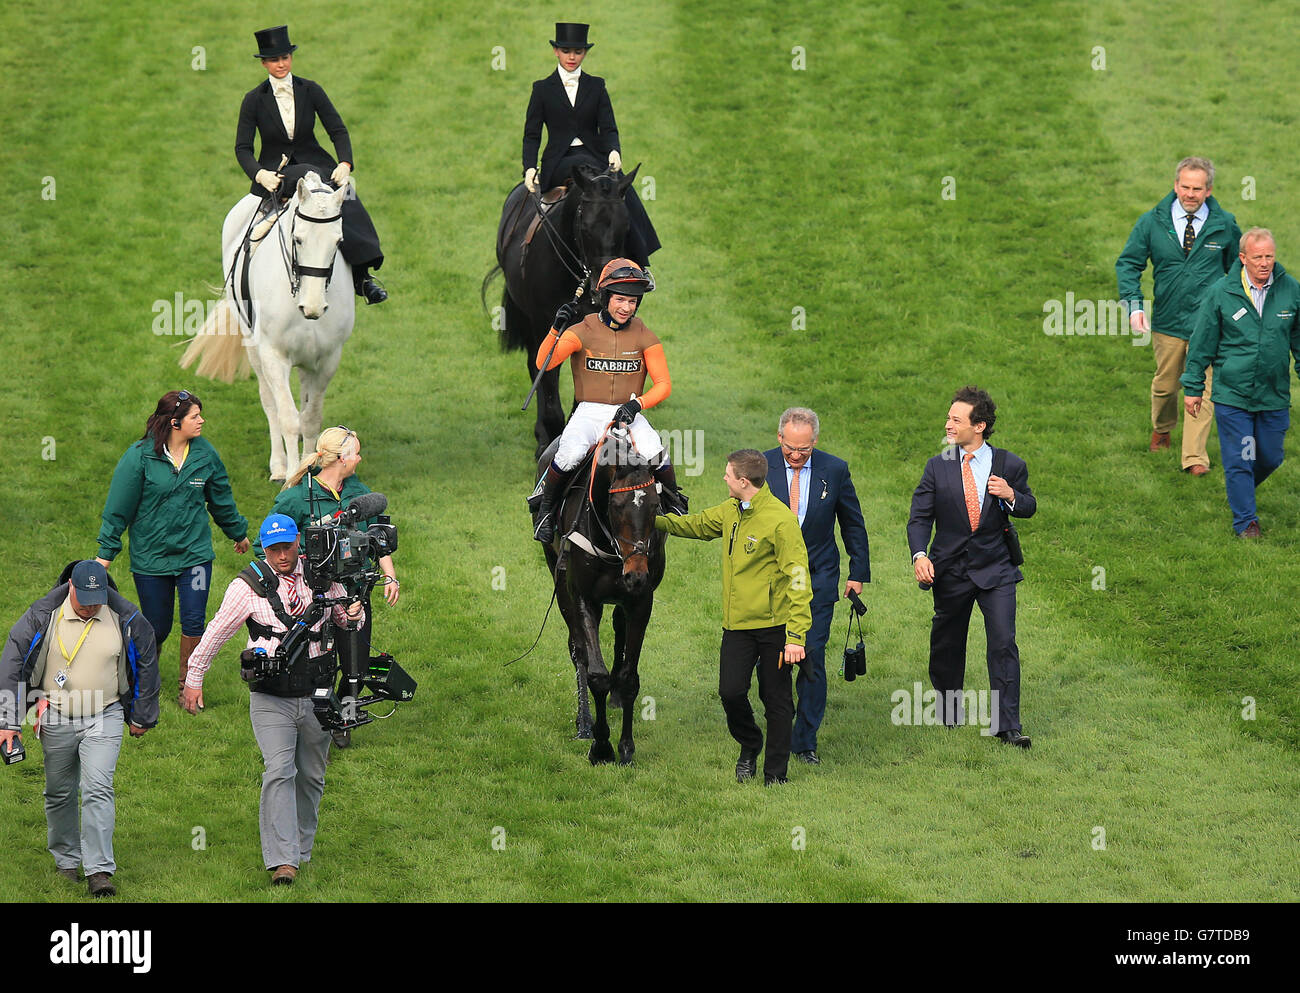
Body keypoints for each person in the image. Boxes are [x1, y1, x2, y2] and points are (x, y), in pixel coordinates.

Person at [181, 515, 364, 886]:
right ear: (264, 547)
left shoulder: (321, 575)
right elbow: (216, 632)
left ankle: (301, 850)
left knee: (312, 775)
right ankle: (284, 861)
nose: (282, 556)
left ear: (298, 542)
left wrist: (354, 614)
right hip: (271, 696)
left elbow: (345, 621)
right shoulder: (246, 586)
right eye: (274, 549)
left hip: (318, 693)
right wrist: (194, 676)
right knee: (280, 770)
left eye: (288, 547)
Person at [0, 561, 159, 897]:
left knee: (98, 788)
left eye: (97, 599)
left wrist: (143, 714)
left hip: (105, 714)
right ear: (70, 585)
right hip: (55, 715)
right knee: (59, 792)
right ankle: (66, 860)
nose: (90, 606)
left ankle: (99, 869)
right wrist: (7, 721)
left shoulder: (123, 616)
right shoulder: (44, 615)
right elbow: (12, 662)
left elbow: (147, 658)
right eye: (84, 598)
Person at [655, 450, 812, 785]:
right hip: (737, 627)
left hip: (775, 629)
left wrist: (796, 637)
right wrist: (646, 518)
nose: (723, 479)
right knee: (730, 692)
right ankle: (750, 744)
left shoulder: (780, 521)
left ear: (743, 481)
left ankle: (775, 776)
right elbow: (694, 525)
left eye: (727, 475)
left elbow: (799, 578)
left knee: (777, 702)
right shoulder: (729, 511)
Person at [96, 389, 249, 712]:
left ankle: (187, 686)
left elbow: (220, 498)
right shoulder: (138, 457)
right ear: (175, 422)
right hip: (151, 560)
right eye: (196, 416)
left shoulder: (205, 454)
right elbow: (118, 509)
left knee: (194, 621)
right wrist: (105, 554)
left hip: (194, 558)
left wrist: (238, 533)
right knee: (157, 625)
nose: (202, 420)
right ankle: (142, 683)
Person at [908, 387, 1036, 746]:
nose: (948, 424)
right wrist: (920, 555)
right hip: (949, 570)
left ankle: (1007, 724)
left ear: (978, 426)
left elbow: (1028, 505)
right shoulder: (938, 466)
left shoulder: (1010, 464)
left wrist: (1010, 495)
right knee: (947, 642)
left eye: (955, 420)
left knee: (1003, 643)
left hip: (996, 570)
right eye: (949, 417)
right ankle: (949, 709)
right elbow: (919, 518)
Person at [531, 258, 686, 543]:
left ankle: (675, 502)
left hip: (629, 413)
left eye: (632, 301)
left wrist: (637, 404)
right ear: (605, 298)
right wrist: (556, 329)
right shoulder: (583, 330)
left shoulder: (644, 336)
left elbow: (663, 385)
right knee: (570, 454)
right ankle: (546, 511)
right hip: (588, 413)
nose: (626, 308)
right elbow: (544, 362)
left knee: (655, 450)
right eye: (620, 300)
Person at [263, 426, 399, 746]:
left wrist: (389, 574)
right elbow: (266, 543)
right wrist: (291, 580)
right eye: (356, 453)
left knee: (356, 666)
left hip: (354, 592)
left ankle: (343, 718)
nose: (360, 458)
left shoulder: (359, 491)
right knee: (320, 664)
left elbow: (377, 535)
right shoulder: (296, 498)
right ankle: (314, 719)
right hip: (316, 595)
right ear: (340, 458)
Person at [237, 24, 388, 305]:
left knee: (348, 198)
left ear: (290, 58)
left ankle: (363, 277)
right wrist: (259, 174)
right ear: (264, 63)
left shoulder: (311, 90)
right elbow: (243, 148)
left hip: (317, 165)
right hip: (276, 173)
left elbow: (338, 130)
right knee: (306, 179)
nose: (280, 64)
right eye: (273, 60)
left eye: (284, 58)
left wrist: (345, 163)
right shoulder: (253, 100)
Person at [1116, 156, 1241, 473]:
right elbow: (1129, 264)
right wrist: (1134, 305)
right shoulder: (1151, 222)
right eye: (1185, 186)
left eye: (1197, 188)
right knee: (1166, 386)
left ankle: (1194, 458)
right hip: (1168, 322)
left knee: (1203, 390)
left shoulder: (1225, 226)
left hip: (1210, 325)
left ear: (1208, 190)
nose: (1190, 194)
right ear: (1175, 185)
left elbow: (1238, 271)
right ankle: (1162, 427)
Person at [764, 408, 870, 765]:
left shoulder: (835, 470)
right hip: (772, 580)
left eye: (804, 450)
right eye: (790, 449)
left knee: (811, 654)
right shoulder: (760, 467)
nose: (795, 456)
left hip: (819, 577)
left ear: (815, 442)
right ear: (779, 438)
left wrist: (857, 573)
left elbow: (853, 524)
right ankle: (778, 728)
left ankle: (805, 740)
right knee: (776, 656)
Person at [1181, 228, 1300, 537]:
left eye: (1269, 256)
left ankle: (1240, 490)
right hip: (1233, 395)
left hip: (1273, 394)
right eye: (1258, 257)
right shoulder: (1221, 292)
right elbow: (1201, 342)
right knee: (1240, 458)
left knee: (1271, 456)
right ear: (1243, 258)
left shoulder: (1291, 290)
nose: (1264, 263)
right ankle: (1246, 522)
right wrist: (1193, 388)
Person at [521, 22, 660, 268]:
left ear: (585, 53)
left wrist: (614, 150)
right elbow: (532, 134)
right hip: (560, 161)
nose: (572, 57)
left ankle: (640, 263)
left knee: (625, 194)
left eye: (578, 52)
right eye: (566, 51)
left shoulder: (597, 86)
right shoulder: (542, 89)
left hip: (594, 158)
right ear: (556, 52)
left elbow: (608, 127)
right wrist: (529, 167)